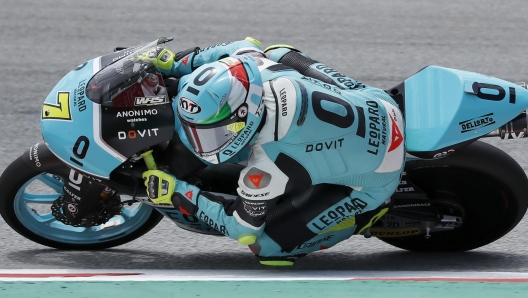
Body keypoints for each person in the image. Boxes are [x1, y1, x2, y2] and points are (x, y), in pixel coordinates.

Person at [141, 37, 406, 265]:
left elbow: (241, 228)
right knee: (279, 52)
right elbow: (245, 45)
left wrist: (178, 192)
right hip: (378, 102)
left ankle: (366, 215)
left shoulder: (269, 165)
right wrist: (174, 63)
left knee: (267, 246)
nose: (202, 141)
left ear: (245, 113)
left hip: (379, 172)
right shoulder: (256, 66)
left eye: (213, 132)